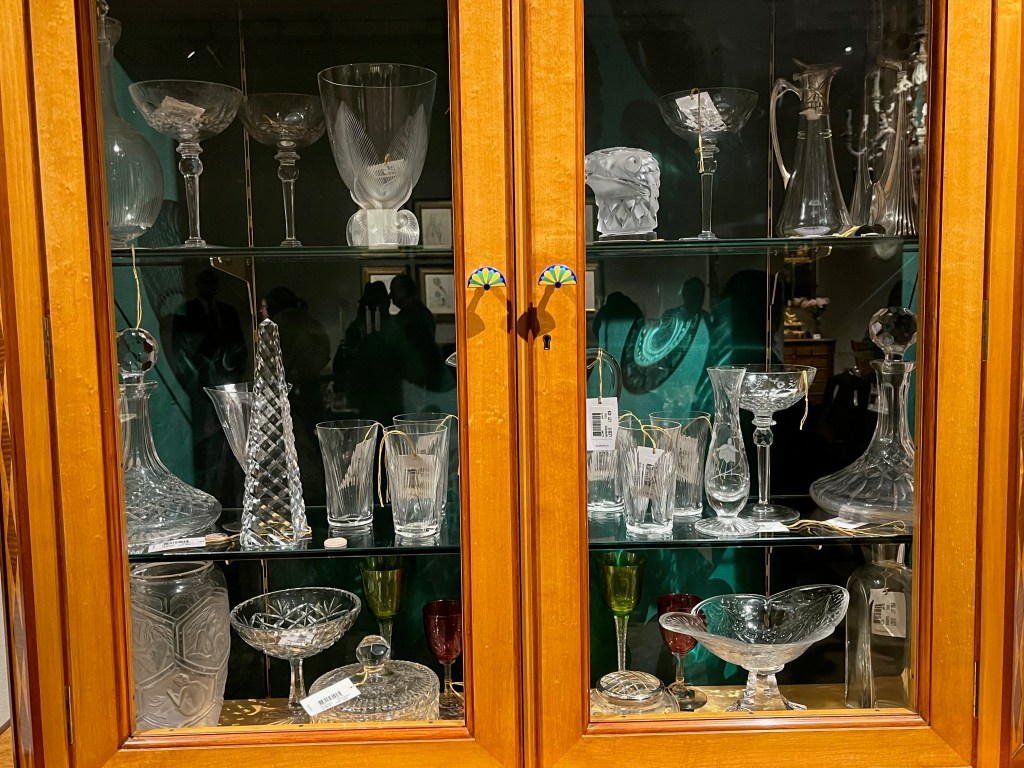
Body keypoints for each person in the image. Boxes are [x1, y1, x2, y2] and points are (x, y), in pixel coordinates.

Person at [162, 268, 246, 498]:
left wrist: (232, 375)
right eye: (205, 283)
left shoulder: (227, 311)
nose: (210, 288)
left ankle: (230, 495)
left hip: (228, 387)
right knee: (206, 445)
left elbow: (239, 346)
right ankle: (206, 493)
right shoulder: (186, 311)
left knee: (232, 443)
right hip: (200, 390)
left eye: (213, 284)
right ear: (198, 286)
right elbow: (180, 352)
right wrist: (193, 383)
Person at [389, 274, 443, 390]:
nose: (391, 296)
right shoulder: (423, 313)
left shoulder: (407, 316)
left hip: (413, 378)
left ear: (403, 292)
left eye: (393, 291)